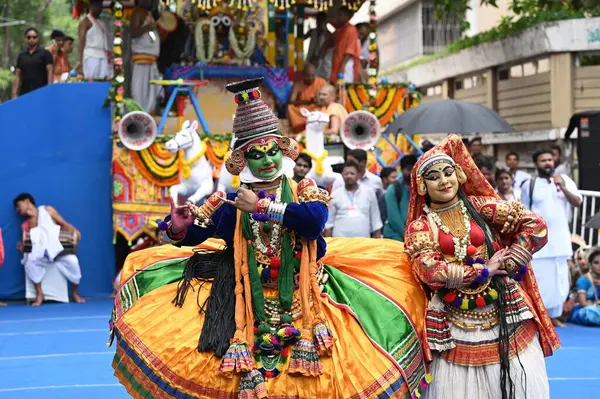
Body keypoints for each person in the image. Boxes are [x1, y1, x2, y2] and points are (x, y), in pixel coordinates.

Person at [109, 77, 431, 399]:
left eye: (272, 152)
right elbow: (197, 233)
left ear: (282, 152)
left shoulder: (303, 190)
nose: (267, 161)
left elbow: (313, 223)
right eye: (257, 155)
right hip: (246, 302)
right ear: (244, 161)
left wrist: (262, 206)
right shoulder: (231, 202)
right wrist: (179, 227)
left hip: (308, 295)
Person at [405, 134, 559, 399]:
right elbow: (430, 272)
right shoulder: (419, 227)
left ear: (460, 175)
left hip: (505, 307)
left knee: (521, 382)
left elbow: (536, 225)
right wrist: (482, 270)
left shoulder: (480, 206)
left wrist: (513, 260)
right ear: (421, 186)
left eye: (448, 172)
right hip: (452, 318)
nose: (444, 181)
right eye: (434, 176)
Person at [521, 148, 582, 328]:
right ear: (536, 164)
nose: (548, 163)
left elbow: (578, 202)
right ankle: (541, 316)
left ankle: (555, 316)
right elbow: (524, 211)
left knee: (559, 280)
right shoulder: (529, 184)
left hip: (560, 239)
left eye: (549, 159)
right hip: (540, 243)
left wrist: (562, 186)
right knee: (541, 279)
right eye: (543, 160)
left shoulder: (564, 181)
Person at [14, 193, 85, 306]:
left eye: (19, 205)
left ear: (27, 201)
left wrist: (75, 230)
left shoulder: (47, 210)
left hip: (58, 250)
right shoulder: (26, 225)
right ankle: (39, 294)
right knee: (29, 263)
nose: (18, 209)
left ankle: (75, 293)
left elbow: (63, 223)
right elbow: (29, 245)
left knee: (73, 262)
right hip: (41, 254)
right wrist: (23, 248)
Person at [325, 161, 382, 238]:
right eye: (346, 174)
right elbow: (328, 223)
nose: (349, 176)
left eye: (352, 173)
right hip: (340, 242)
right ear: (342, 175)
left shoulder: (369, 193)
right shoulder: (334, 195)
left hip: (363, 242)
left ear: (358, 175)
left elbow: (376, 221)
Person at [130, 0, 162, 113]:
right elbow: (133, 32)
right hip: (141, 62)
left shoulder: (148, 14)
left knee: (151, 92)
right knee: (140, 92)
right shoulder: (137, 12)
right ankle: (139, 114)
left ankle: (147, 114)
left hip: (151, 62)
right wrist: (148, 27)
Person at [12, 28, 53, 98]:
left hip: (41, 91)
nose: (31, 39)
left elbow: (50, 71)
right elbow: (18, 75)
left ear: (38, 38)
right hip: (24, 92)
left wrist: (49, 89)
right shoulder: (21, 55)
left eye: (34, 37)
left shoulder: (45, 53)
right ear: (25, 39)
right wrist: (14, 93)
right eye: (29, 37)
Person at [287, 64, 328, 133]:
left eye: (312, 76)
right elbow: (291, 101)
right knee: (290, 108)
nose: (310, 78)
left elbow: (327, 97)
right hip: (303, 110)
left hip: (316, 108)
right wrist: (306, 102)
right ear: (303, 75)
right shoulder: (298, 84)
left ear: (315, 74)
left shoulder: (321, 82)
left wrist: (319, 101)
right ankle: (300, 128)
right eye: (307, 76)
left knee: (324, 108)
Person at [384, 155, 417, 241]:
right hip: (397, 237)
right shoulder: (394, 189)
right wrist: (406, 235)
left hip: (418, 236)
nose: (412, 172)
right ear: (402, 170)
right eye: (409, 169)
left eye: (414, 168)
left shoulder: (422, 188)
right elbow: (393, 217)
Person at [78, 0, 111, 80]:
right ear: (91, 5)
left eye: (100, 6)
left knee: (104, 81)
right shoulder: (85, 21)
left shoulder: (102, 22)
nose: (99, 8)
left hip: (103, 55)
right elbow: (81, 41)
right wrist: (80, 61)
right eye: (97, 5)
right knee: (91, 81)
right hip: (91, 55)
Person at [570, 246, 600, 326]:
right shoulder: (583, 280)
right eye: (596, 262)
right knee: (590, 312)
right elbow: (583, 303)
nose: (599, 266)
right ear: (590, 264)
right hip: (585, 310)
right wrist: (594, 305)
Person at [330, 7, 360, 84]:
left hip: (346, 65)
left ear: (347, 16)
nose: (338, 17)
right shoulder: (340, 30)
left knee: (344, 88)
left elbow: (350, 50)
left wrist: (343, 66)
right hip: (338, 63)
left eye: (340, 15)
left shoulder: (351, 29)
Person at [305, 12, 333, 80]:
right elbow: (302, 38)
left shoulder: (329, 35)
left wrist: (317, 59)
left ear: (325, 22)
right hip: (310, 59)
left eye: (320, 21)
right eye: (317, 21)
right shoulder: (313, 31)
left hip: (322, 63)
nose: (318, 23)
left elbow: (326, 47)